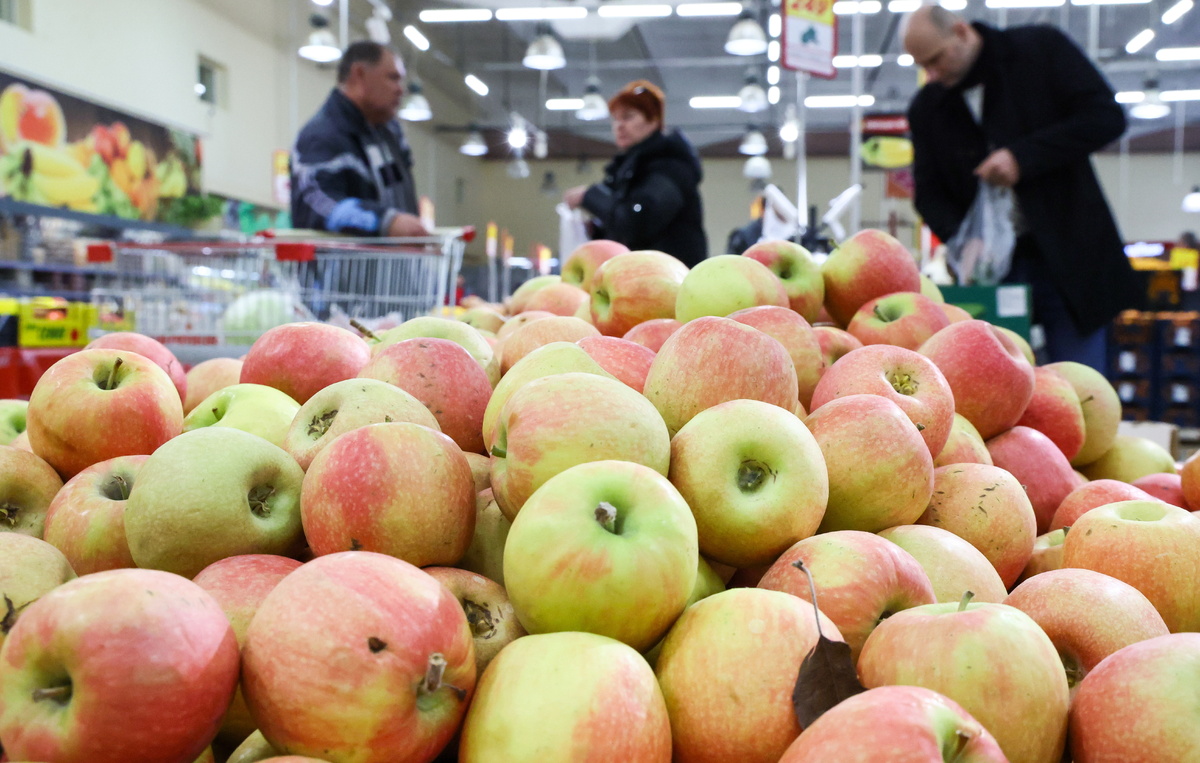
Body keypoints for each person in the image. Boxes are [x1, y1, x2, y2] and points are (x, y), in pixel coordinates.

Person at [903, 6, 1139, 370]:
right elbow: (927, 193)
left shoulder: (1040, 50)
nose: (931, 74)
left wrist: (1023, 158)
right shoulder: (928, 107)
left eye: (936, 59)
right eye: (923, 65)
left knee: (1078, 382)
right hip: (993, 273)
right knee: (994, 380)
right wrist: (962, 239)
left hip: (1071, 258)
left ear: (961, 32)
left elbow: (1105, 116)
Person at [563, 80, 707, 268]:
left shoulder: (670, 166)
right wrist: (597, 230)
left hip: (666, 276)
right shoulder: (628, 170)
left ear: (654, 120)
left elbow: (638, 221)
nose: (619, 125)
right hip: (644, 273)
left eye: (628, 117)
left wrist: (589, 196)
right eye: (615, 119)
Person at [291, 41, 427, 238]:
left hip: (397, 258)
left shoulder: (390, 135)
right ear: (359, 74)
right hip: (347, 259)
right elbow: (317, 203)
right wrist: (384, 221)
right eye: (393, 78)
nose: (401, 90)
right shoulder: (321, 136)